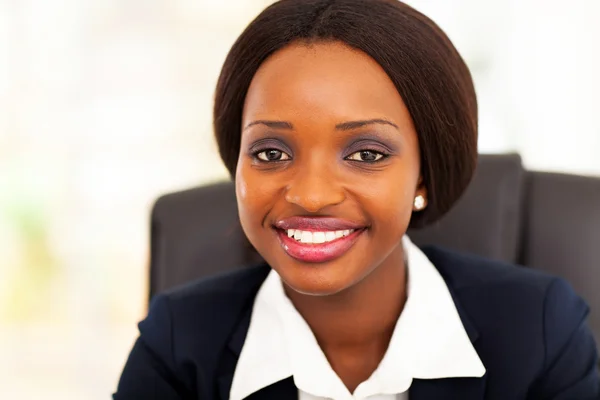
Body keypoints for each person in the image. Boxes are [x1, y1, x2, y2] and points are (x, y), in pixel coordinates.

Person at [113, 0, 599, 399]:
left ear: (423, 177)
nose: (311, 194)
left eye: (366, 153)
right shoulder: (177, 342)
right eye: (270, 151)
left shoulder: (540, 331)